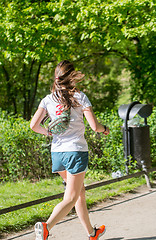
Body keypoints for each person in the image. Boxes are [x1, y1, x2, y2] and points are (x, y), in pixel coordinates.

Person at [30, 60, 110, 240]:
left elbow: (33, 125)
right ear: (72, 77)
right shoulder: (80, 97)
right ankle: (46, 226)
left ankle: (92, 233)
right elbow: (94, 126)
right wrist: (104, 129)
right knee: (71, 197)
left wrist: (49, 133)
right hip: (75, 152)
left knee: (79, 192)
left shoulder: (48, 99)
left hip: (57, 154)